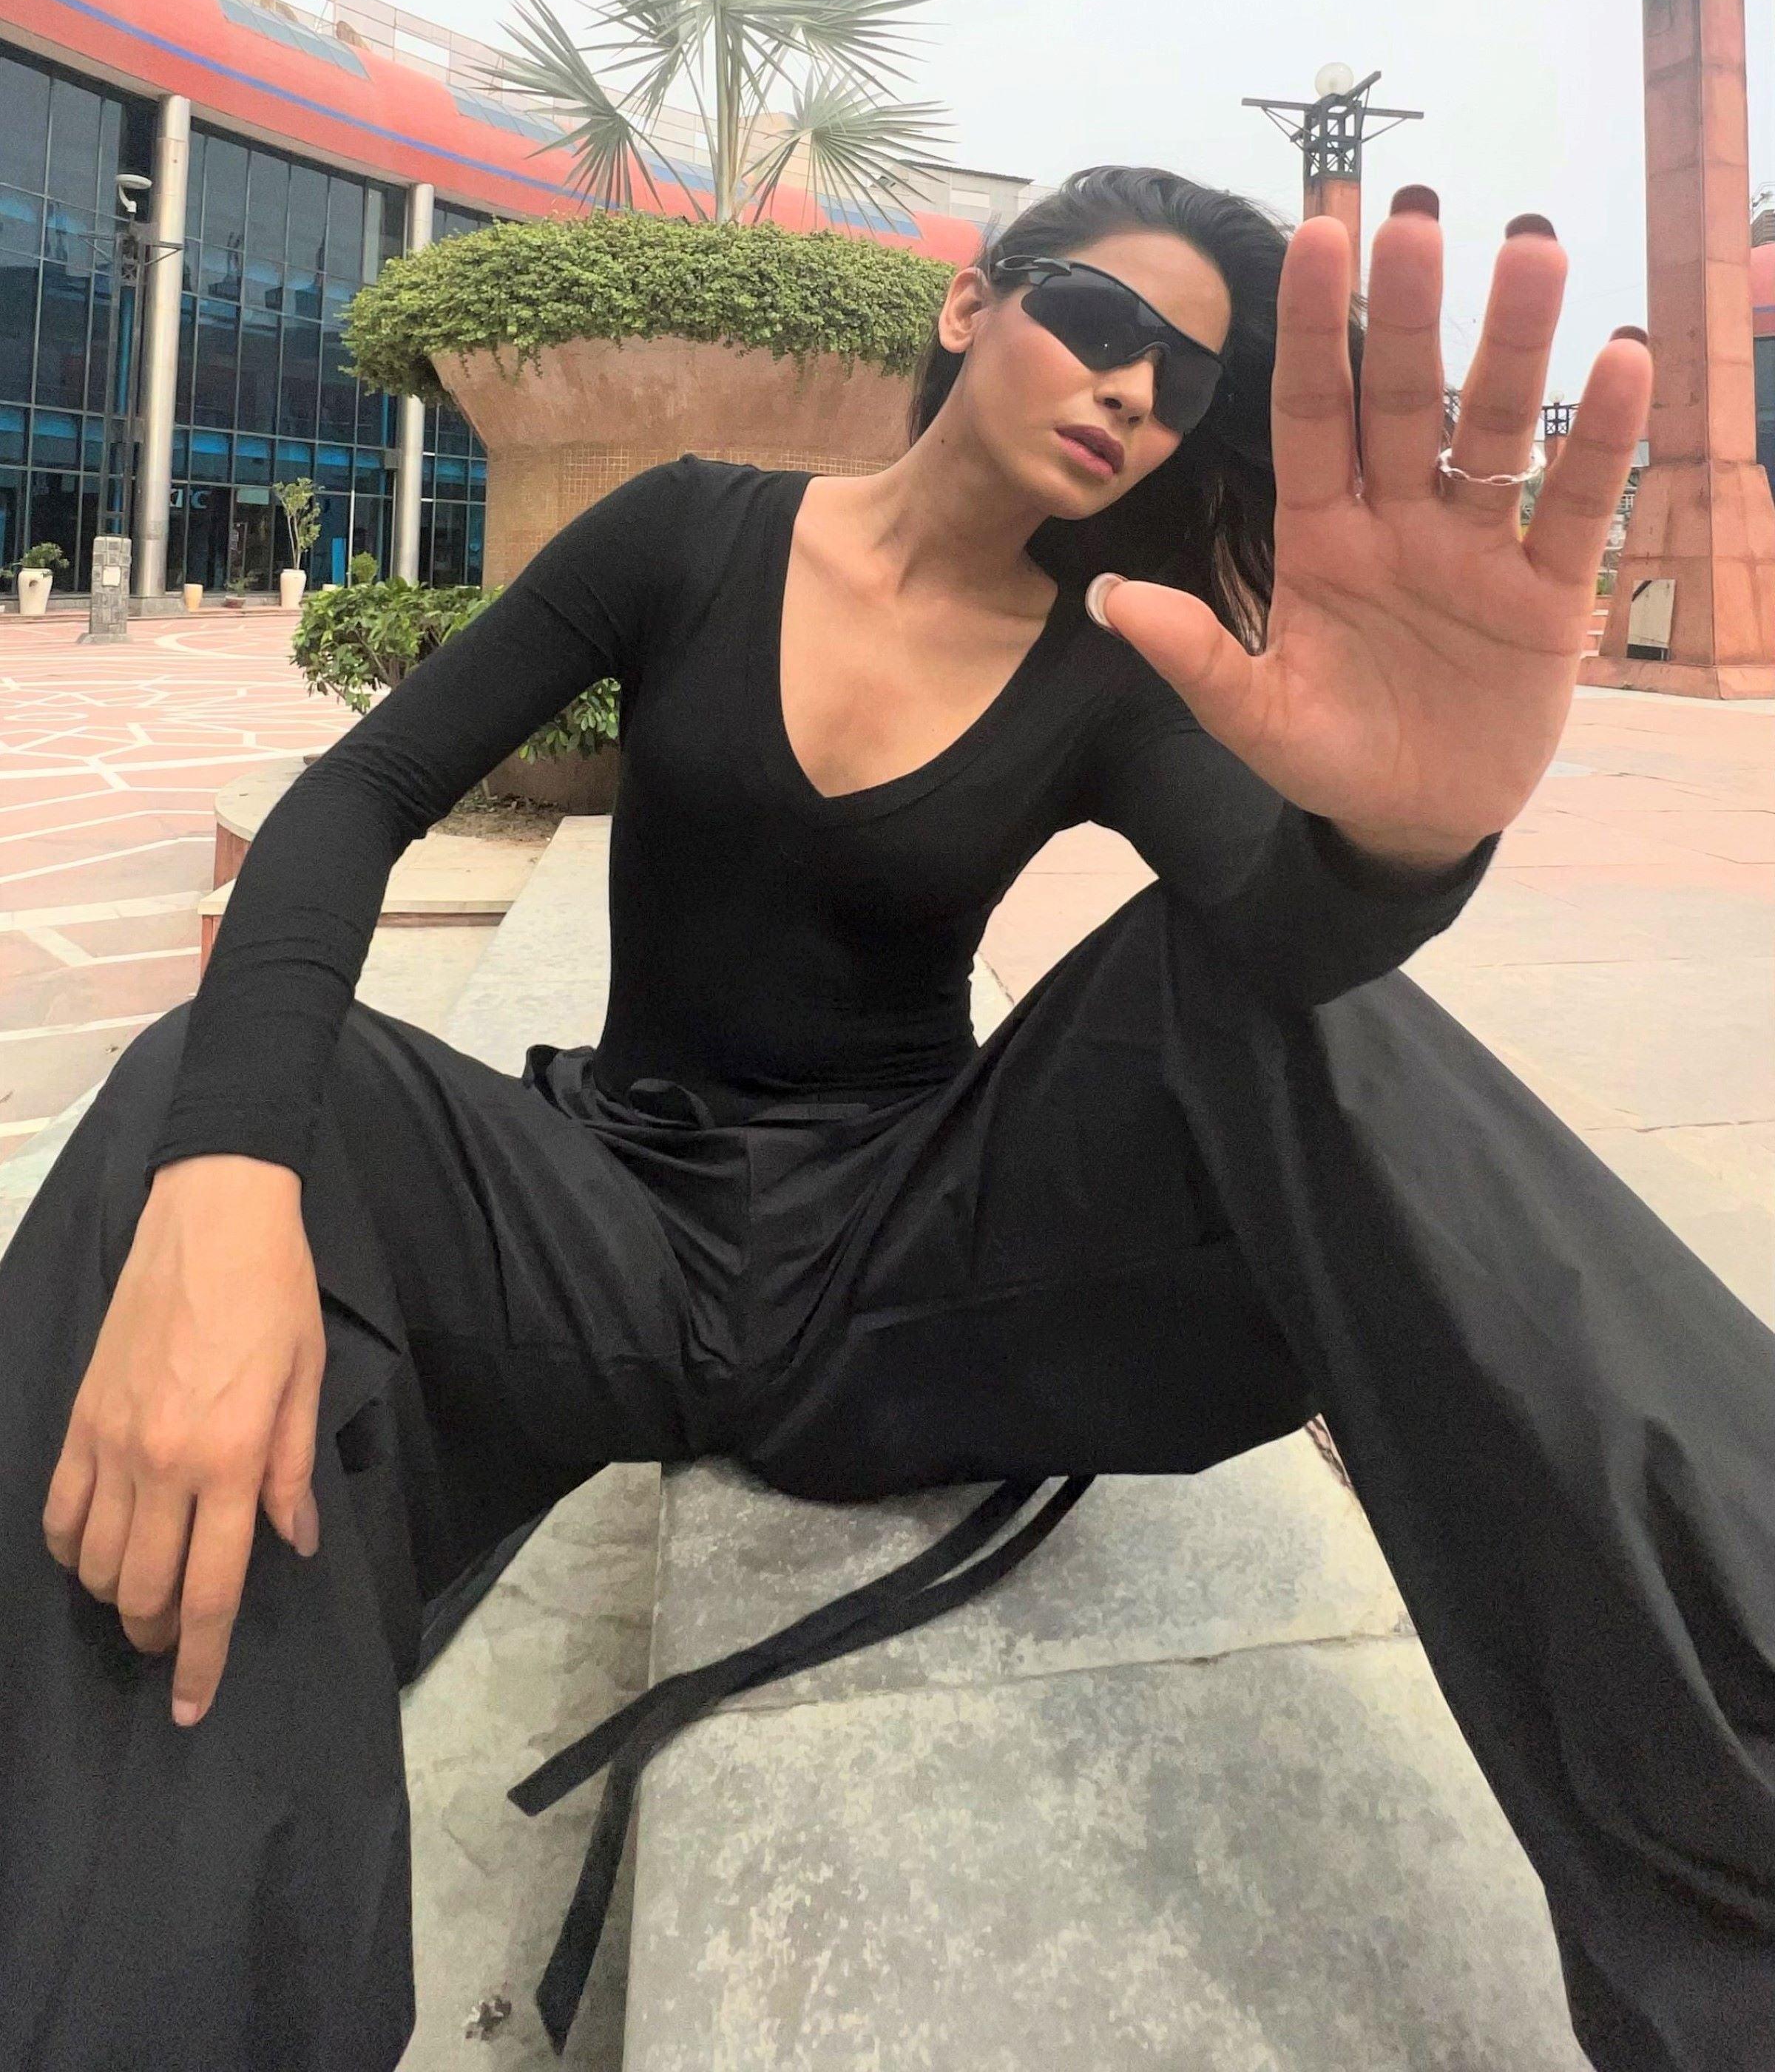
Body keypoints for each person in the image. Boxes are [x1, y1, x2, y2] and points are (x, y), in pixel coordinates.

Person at [1, 164, 1770, 2072]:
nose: (1135, 390)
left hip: (909, 1276)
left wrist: (1405, 839)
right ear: (970, 302)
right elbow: (360, 796)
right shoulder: (691, 532)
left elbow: (1281, 936)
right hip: (607, 1218)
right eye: (1103, 322)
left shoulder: (1117, 654)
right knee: (203, 1104)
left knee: (1273, 1005)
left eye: (1185, 382)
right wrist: (228, 1179)